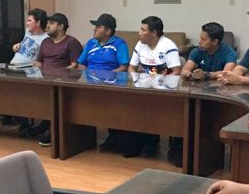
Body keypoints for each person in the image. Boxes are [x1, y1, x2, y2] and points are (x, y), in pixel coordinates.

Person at [126, 16, 181, 160]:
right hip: (143, 89)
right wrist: (135, 81)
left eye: (143, 30)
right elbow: (131, 67)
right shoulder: (140, 45)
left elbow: (176, 71)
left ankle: (152, 143)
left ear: (154, 33)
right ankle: (135, 144)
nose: (139, 33)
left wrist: (161, 83)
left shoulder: (168, 46)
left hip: (163, 91)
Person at [75, 13, 130, 152]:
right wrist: (85, 77)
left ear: (108, 31)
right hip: (89, 83)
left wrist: (106, 77)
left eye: (98, 27)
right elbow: (81, 64)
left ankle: (114, 135)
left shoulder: (119, 44)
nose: (94, 29)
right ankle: (81, 137)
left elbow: (124, 67)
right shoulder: (90, 43)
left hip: (110, 84)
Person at [31, 12, 82, 146]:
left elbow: (75, 65)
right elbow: (38, 62)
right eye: (48, 23)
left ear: (60, 26)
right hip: (44, 80)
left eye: (51, 23)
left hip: (62, 83)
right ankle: (42, 125)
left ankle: (53, 131)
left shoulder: (72, 42)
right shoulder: (45, 42)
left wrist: (59, 74)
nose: (47, 26)